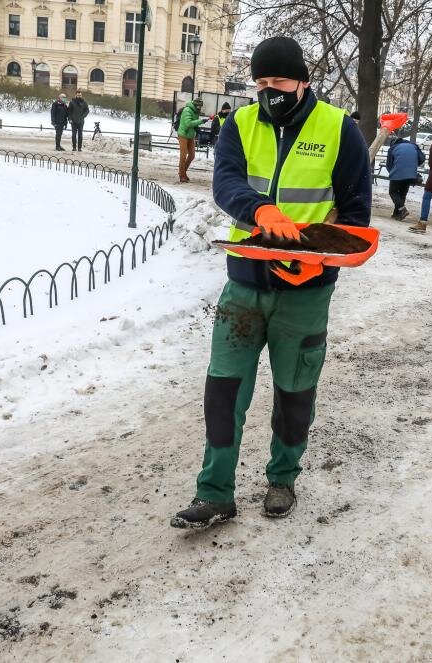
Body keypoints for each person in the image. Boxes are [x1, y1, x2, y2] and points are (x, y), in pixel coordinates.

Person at [170, 36, 371, 530]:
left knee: (294, 391)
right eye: (260, 82)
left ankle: (282, 479)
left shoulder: (339, 128)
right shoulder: (241, 123)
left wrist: (317, 261)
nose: (268, 91)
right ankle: (214, 492)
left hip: (305, 293)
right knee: (224, 389)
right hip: (244, 284)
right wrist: (260, 210)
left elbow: (355, 214)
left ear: (303, 80)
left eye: (278, 80)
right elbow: (226, 182)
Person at [386, 134, 423, 220]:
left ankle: (402, 210)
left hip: (397, 172)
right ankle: (397, 213)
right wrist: (412, 165)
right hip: (411, 173)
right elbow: (421, 158)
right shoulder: (413, 146)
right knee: (402, 193)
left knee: (393, 192)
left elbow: (389, 165)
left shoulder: (392, 148)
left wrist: (392, 173)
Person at [177, 98, 210, 183]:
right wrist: (201, 121)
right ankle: (182, 175)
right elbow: (188, 123)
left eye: (200, 106)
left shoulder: (195, 111)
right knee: (183, 156)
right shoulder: (187, 110)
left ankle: (183, 172)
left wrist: (197, 128)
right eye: (198, 106)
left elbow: (194, 122)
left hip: (191, 135)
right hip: (183, 135)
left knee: (192, 155)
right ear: (195, 105)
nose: (199, 108)